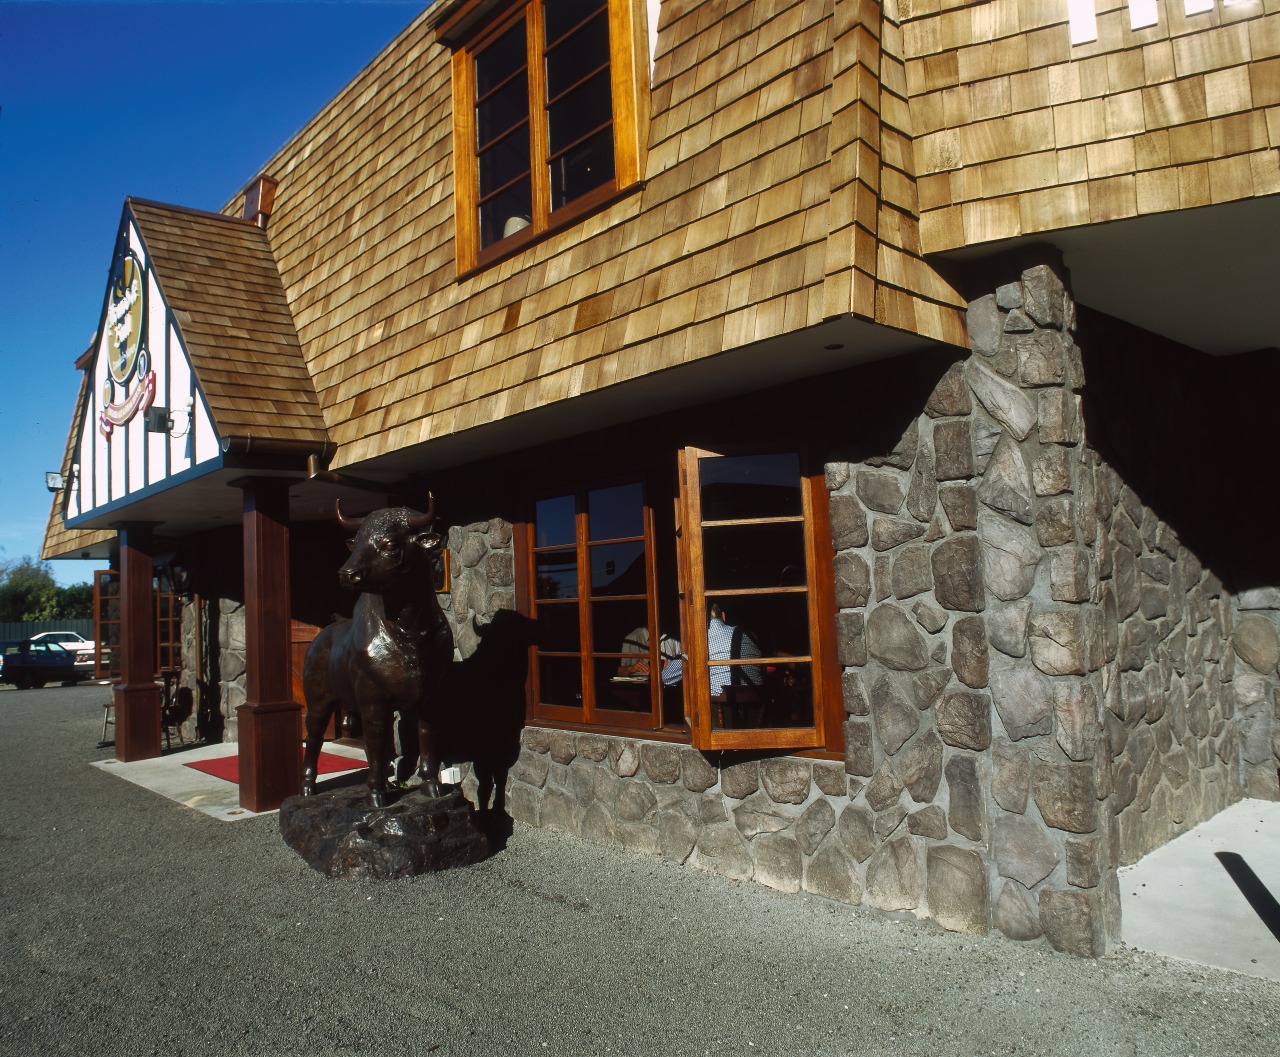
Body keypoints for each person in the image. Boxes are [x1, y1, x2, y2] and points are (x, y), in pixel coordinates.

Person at [660, 602, 762, 695]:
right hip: (757, 707)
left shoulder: (698, 641)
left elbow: (666, 677)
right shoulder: (750, 634)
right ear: (723, 616)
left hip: (720, 709)